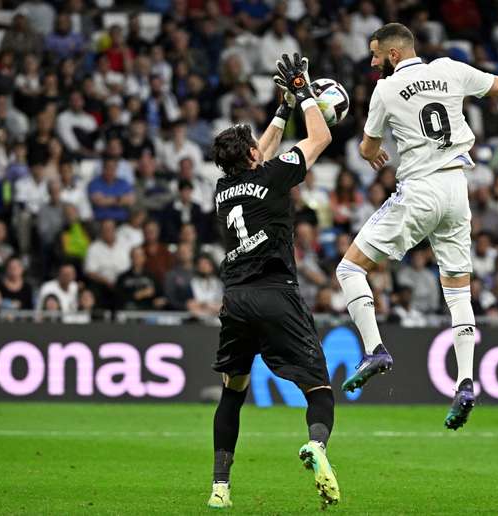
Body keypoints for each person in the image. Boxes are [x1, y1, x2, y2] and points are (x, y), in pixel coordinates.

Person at [334, 23, 498, 430]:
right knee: (459, 294)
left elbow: (368, 147)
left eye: (376, 55)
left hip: (419, 190)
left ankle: (375, 348)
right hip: (457, 190)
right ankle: (465, 381)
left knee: (350, 269)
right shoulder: (450, 69)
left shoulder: (385, 90)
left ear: (393, 54)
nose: (373, 62)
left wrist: (370, 151)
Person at [206, 53, 338, 509]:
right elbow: (320, 135)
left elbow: (258, 154)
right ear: (251, 156)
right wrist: (302, 93)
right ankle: (316, 446)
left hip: (236, 300)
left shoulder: (223, 190)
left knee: (233, 391)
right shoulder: (275, 174)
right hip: (277, 294)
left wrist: (281, 109)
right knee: (319, 389)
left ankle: (220, 488)